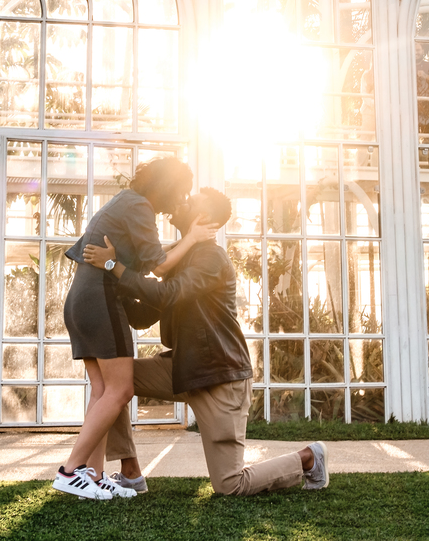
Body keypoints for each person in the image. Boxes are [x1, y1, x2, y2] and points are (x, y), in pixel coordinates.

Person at [82, 188, 328, 497]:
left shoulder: (211, 258)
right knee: (115, 381)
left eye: (191, 200)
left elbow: (166, 294)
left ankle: (307, 458)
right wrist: (107, 291)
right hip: (184, 367)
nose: (182, 200)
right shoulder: (183, 258)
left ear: (205, 218)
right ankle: (130, 473)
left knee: (229, 484)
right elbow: (144, 316)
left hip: (219, 378)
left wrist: (114, 267)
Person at [52, 157, 217, 500]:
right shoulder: (140, 206)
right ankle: (70, 470)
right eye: (181, 192)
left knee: (102, 392)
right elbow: (159, 266)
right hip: (100, 301)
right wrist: (192, 237)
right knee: (120, 389)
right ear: (168, 187)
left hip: (82, 300)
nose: (181, 200)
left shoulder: (126, 202)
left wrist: (183, 243)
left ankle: (92, 476)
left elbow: (149, 259)